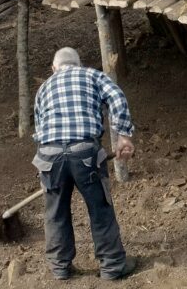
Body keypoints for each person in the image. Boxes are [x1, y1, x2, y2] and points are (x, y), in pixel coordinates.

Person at [32, 47, 137, 280]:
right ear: (78, 65)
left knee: (55, 212)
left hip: (49, 157)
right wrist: (123, 135)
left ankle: (60, 267)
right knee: (100, 208)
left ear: (53, 68)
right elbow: (117, 97)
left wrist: (49, 164)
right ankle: (112, 265)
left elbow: (39, 130)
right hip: (85, 153)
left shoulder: (43, 88)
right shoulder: (92, 75)